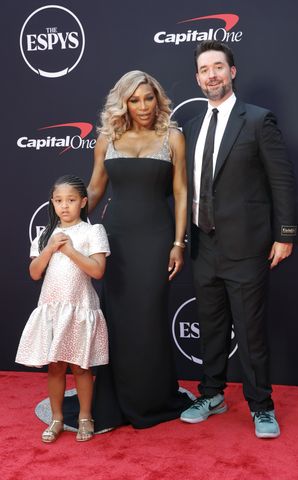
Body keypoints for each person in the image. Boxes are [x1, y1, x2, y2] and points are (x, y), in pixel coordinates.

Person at [62, 70, 193, 431]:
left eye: (148, 98)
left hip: (156, 237)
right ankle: (114, 397)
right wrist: (70, 221)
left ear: (157, 98)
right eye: (134, 100)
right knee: (116, 319)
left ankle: (151, 397)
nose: (143, 106)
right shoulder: (106, 139)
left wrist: (179, 242)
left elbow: (181, 192)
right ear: (124, 103)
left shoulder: (173, 137)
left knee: (148, 316)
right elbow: (96, 187)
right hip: (115, 238)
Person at [179, 41, 297, 438]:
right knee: (211, 328)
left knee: (250, 333)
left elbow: (281, 180)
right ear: (197, 78)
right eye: (204, 69)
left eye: (218, 67)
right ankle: (212, 394)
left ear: (232, 71)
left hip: (248, 248)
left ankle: (261, 406)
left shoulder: (258, 121)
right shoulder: (192, 127)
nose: (211, 74)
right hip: (203, 246)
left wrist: (285, 234)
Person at [16, 174, 110, 443]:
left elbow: (98, 270)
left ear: (82, 202)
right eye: (58, 201)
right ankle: (56, 418)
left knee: (81, 367)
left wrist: (69, 251)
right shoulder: (45, 234)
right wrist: (50, 249)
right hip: (52, 309)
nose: (64, 206)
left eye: (70, 200)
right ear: (52, 203)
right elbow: (35, 273)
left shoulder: (93, 231)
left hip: (80, 307)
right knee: (55, 367)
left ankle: (84, 417)